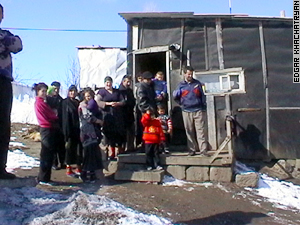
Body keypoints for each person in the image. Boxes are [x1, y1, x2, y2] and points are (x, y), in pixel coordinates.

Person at [0, 4, 23, 179]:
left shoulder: (5, 34)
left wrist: (4, 42)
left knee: (2, 125)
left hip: (3, 81)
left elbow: (18, 45)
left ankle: (1, 167)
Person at [173, 66, 208, 156]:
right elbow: (175, 97)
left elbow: (203, 95)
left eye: (191, 74)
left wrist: (203, 106)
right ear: (184, 74)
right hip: (186, 110)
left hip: (198, 110)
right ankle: (192, 150)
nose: (190, 75)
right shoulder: (181, 85)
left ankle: (203, 150)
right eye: (188, 74)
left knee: (201, 130)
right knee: (189, 131)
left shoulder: (197, 84)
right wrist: (182, 104)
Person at [33, 82, 60, 185]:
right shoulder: (40, 103)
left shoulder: (42, 102)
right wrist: (54, 113)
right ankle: (43, 177)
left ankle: (46, 177)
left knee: (48, 153)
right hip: (46, 128)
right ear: (38, 92)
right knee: (46, 154)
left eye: (45, 91)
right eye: (42, 91)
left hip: (48, 128)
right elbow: (51, 114)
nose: (44, 93)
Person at [95, 76, 125, 160]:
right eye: (107, 82)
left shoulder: (117, 92)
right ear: (104, 83)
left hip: (117, 115)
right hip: (107, 115)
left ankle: (119, 151)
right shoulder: (102, 92)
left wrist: (117, 103)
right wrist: (108, 104)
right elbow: (98, 102)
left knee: (118, 133)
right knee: (109, 134)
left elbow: (123, 101)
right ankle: (111, 153)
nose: (108, 84)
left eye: (109, 82)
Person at [79, 88, 104, 183]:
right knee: (88, 153)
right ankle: (84, 174)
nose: (88, 98)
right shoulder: (83, 105)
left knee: (94, 153)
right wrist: (98, 121)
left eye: (90, 96)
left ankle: (93, 174)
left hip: (93, 131)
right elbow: (87, 117)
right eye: (87, 96)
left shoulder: (93, 104)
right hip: (86, 131)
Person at [61, 85, 83, 177]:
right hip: (69, 129)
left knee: (79, 149)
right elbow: (64, 118)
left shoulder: (78, 102)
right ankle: (68, 168)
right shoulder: (64, 102)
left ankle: (78, 167)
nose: (72, 93)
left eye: (74, 91)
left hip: (78, 129)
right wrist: (66, 131)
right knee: (69, 149)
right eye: (71, 91)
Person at [47, 81, 66, 170]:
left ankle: (62, 162)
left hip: (60, 125)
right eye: (54, 88)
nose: (56, 90)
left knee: (61, 145)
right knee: (53, 146)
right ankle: (54, 163)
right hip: (51, 125)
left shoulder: (61, 100)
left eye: (58, 88)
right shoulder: (48, 99)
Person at [119, 75, 136, 152]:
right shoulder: (120, 91)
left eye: (130, 82)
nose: (129, 83)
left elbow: (132, 101)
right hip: (122, 114)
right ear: (123, 81)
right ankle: (122, 148)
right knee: (123, 132)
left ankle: (130, 147)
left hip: (129, 113)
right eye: (127, 81)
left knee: (131, 131)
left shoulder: (130, 91)